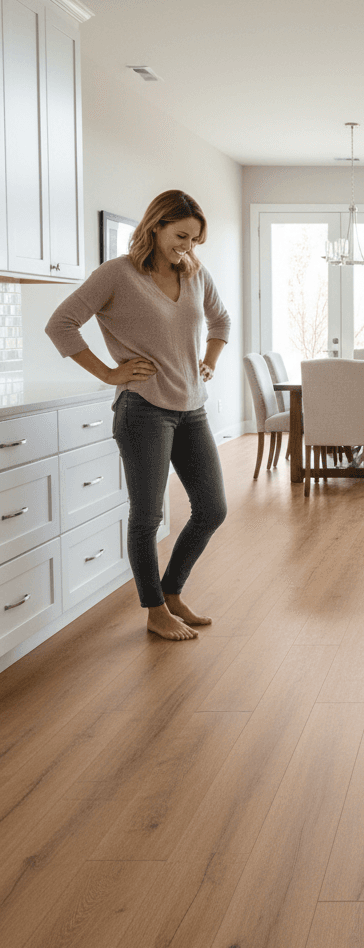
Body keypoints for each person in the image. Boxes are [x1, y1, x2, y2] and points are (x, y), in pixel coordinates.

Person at [45, 190, 230, 641]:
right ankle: (153, 609)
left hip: (192, 409)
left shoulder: (195, 274)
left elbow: (220, 321)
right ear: (156, 226)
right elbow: (60, 324)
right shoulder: (117, 275)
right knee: (147, 517)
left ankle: (171, 592)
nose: (187, 246)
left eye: (195, 239)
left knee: (212, 509)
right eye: (180, 235)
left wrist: (209, 361)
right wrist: (109, 373)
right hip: (143, 410)